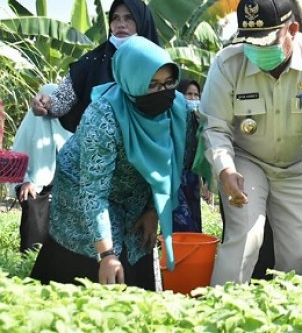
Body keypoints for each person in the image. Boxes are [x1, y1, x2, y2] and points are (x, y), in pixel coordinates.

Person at [198, 0, 302, 285]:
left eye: (266, 42)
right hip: (246, 160)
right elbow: (215, 126)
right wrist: (225, 169)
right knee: (246, 237)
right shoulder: (228, 64)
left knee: (298, 255)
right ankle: (221, 316)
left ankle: (290, 319)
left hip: (297, 166)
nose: (256, 50)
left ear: (292, 30)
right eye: (250, 42)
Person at [30, 36, 189, 290]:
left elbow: (171, 165)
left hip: (133, 193)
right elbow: (94, 193)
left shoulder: (177, 110)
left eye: (169, 83)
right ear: (132, 82)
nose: (163, 93)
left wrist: (151, 209)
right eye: (152, 85)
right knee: (92, 269)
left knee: (136, 252)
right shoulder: (103, 118)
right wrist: (106, 255)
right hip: (82, 188)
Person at [32, 0, 159, 132]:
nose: (121, 24)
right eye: (115, 18)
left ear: (142, 22)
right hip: (98, 143)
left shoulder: (157, 63)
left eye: (129, 18)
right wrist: (46, 103)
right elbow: (63, 100)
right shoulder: (93, 60)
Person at [10, 84, 72, 253]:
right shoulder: (30, 126)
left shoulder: (69, 126)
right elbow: (14, 161)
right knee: (35, 242)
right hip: (36, 191)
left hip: (65, 191)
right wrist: (26, 181)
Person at [172, 79, 203, 232]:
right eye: (188, 94)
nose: (193, 99)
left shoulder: (198, 118)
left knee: (195, 220)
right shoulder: (173, 117)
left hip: (192, 176)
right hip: (175, 176)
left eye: (196, 95)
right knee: (182, 221)